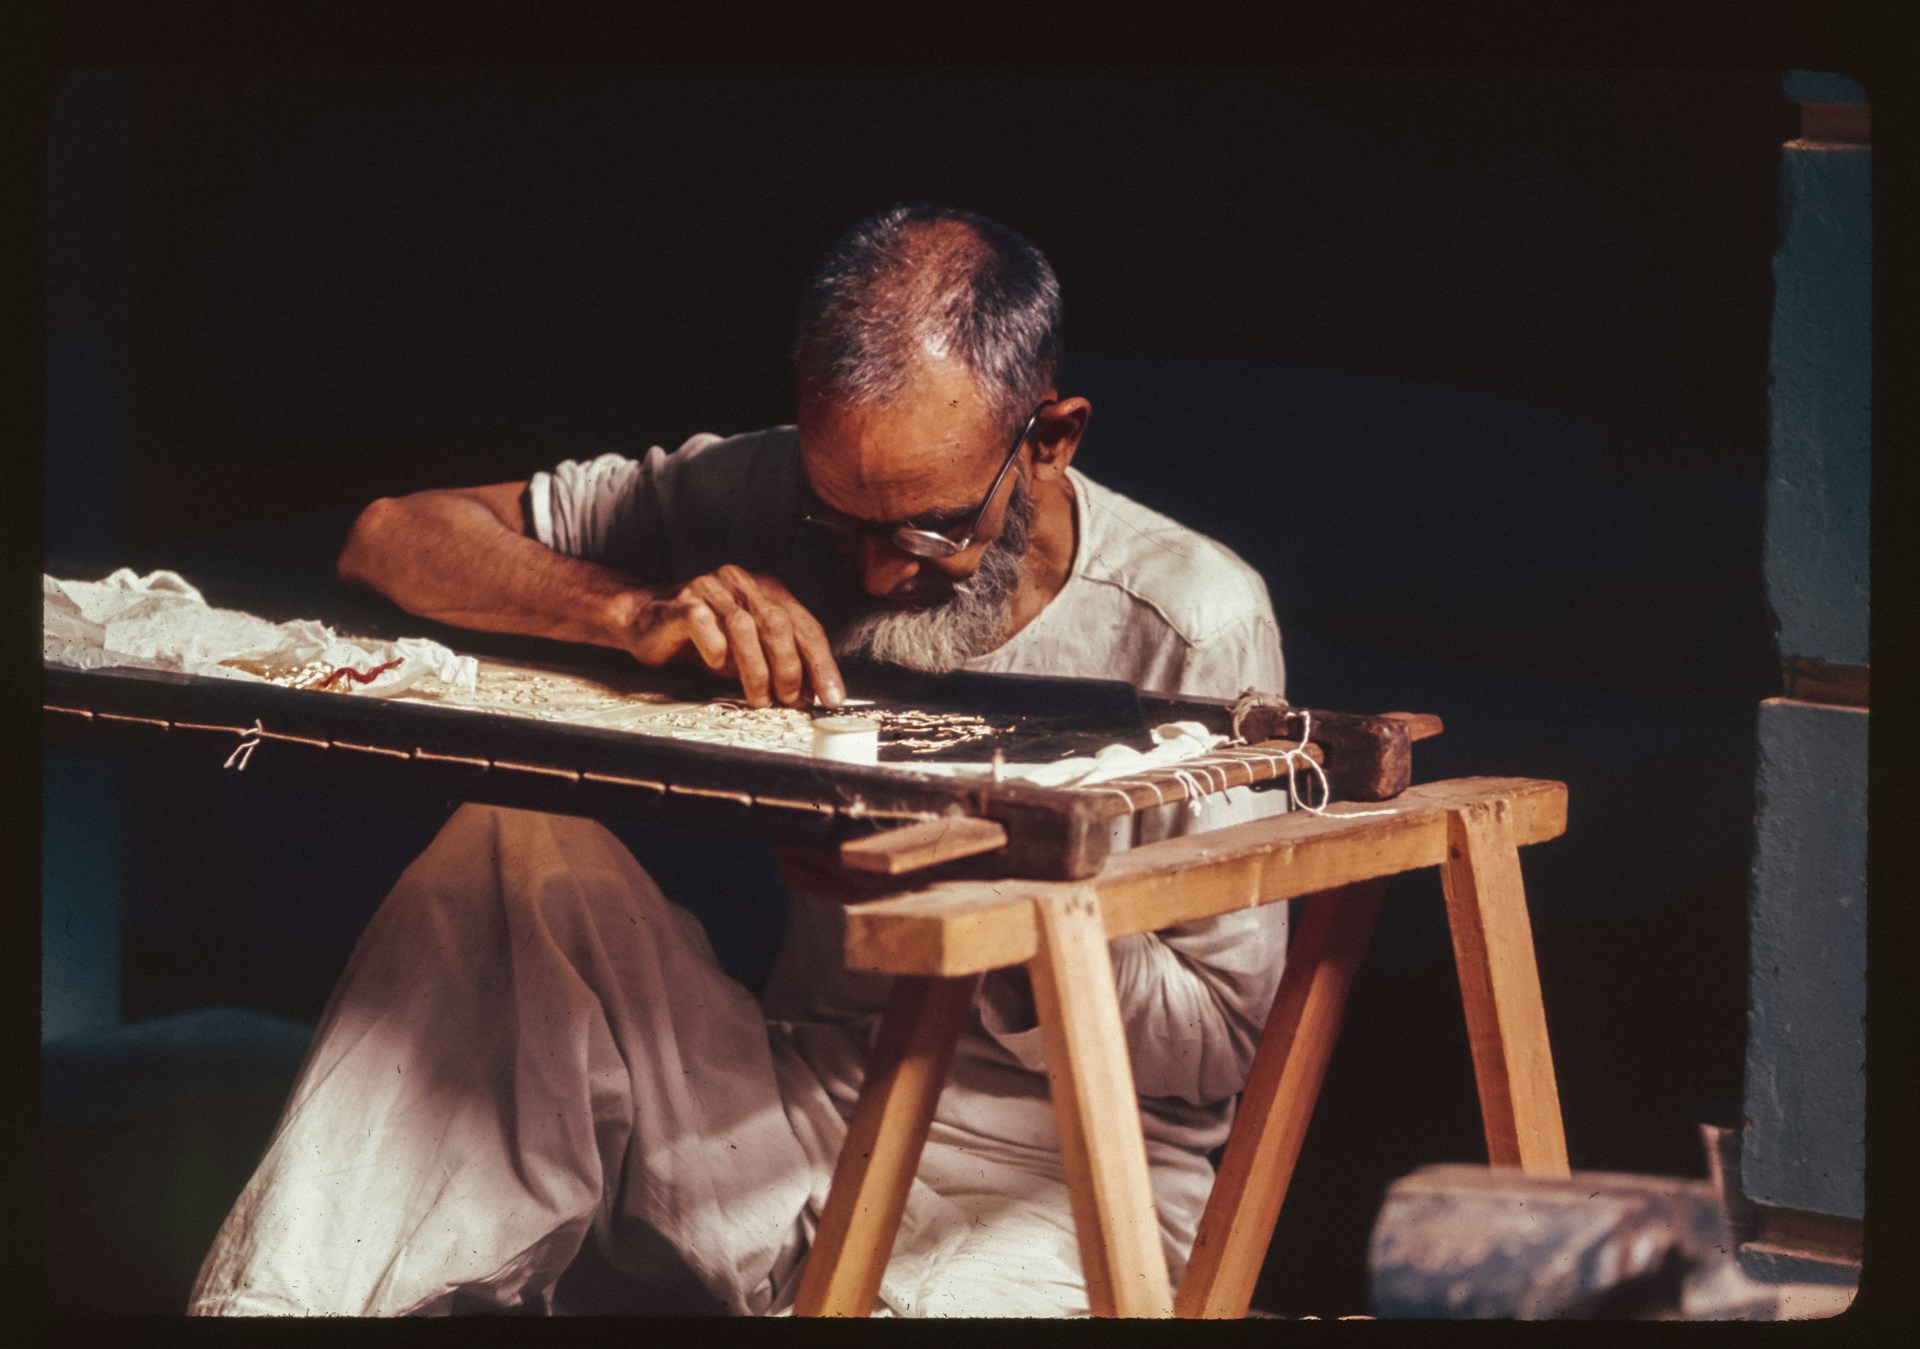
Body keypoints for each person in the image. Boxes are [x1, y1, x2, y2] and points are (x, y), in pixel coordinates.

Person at [190, 203, 1290, 1317]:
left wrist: (982, 900)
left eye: (930, 531)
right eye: (841, 525)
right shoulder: (768, 492)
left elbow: (1219, 1040)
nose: (875, 575)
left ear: (1050, 439)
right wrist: (627, 609)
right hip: (793, 1113)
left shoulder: (1193, 617)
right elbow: (390, 536)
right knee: (510, 849)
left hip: (1061, 1182)